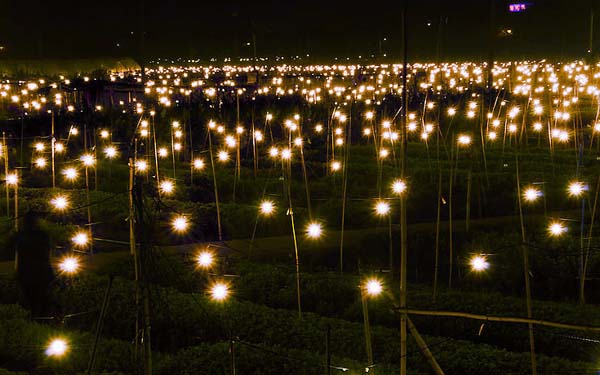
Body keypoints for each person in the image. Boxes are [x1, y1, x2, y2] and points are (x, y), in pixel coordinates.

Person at [14, 210, 55, 316]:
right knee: (41, 301)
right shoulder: (42, 236)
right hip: (39, 273)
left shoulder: (21, 236)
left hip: (28, 274)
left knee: (32, 302)